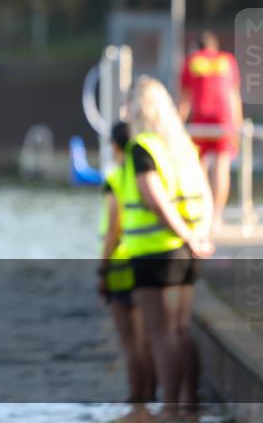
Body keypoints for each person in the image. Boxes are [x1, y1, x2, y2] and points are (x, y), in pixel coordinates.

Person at [121, 76, 214, 419]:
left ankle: (171, 410)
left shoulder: (142, 147)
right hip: (187, 252)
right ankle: (190, 404)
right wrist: (199, 234)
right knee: (181, 331)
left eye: (130, 103)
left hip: (156, 253)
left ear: (140, 108)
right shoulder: (182, 145)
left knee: (160, 334)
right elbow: (205, 192)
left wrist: (187, 236)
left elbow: (156, 199)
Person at [98, 121, 155, 420]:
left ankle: (137, 400)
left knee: (130, 340)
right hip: (144, 257)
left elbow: (112, 227)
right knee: (147, 336)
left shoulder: (116, 177)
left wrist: (101, 270)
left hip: (120, 266)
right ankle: (151, 398)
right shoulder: (147, 171)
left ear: (115, 146)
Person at [178, 30, 242, 229]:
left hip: (201, 120)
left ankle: (200, 213)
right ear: (214, 46)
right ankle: (216, 217)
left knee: (199, 168)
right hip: (224, 120)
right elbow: (233, 96)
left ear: (197, 47)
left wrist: (177, 126)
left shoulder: (191, 61)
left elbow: (185, 100)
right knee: (222, 168)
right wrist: (237, 125)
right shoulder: (227, 60)